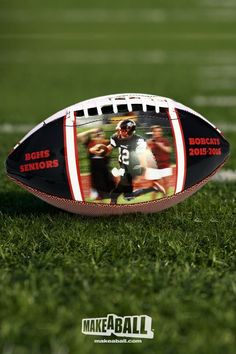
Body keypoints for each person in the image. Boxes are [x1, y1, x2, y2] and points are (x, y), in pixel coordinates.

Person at [77, 128, 115, 200]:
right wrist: (91, 131)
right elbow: (79, 136)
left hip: (105, 171)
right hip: (95, 171)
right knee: (98, 195)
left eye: (100, 134)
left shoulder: (107, 143)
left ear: (104, 135)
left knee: (111, 193)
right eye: (97, 134)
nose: (98, 135)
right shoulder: (89, 143)